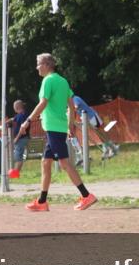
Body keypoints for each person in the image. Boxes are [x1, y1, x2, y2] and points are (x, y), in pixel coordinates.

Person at [17, 53, 97, 212]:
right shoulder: (63, 81)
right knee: (46, 163)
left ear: (46, 64)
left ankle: (87, 195)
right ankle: (42, 201)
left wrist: (28, 121)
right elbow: (71, 103)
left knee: (64, 163)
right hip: (56, 128)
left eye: (38, 64)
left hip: (54, 128)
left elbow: (43, 103)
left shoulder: (47, 80)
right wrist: (70, 125)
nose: (37, 67)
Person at [69, 95, 119, 164]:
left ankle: (113, 148)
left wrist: (70, 110)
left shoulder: (75, 98)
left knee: (101, 133)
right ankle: (108, 149)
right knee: (99, 135)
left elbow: (76, 107)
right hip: (87, 118)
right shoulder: (71, 101)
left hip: (92, 116)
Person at [7, 99, 31, 174]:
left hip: (21, 138)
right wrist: (8, 121)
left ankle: (15, 174)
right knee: (17, 155)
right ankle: (14, 173)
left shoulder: (21, 116)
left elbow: (22, 129)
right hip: (24, 138)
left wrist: (16, 138)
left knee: (18, 157)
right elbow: (13, 118)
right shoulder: (24, 114)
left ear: (16, 107)